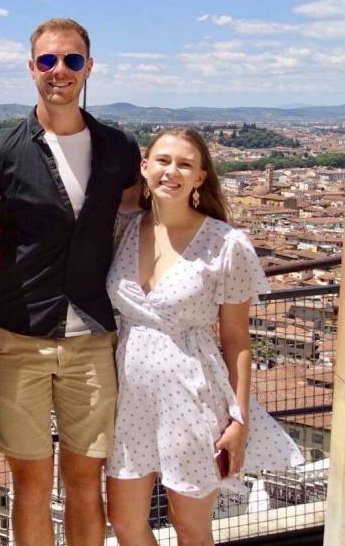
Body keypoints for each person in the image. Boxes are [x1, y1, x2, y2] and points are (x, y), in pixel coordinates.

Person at [0, 18, 140, 546]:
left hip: (93, 336)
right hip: (20, 336)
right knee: (31, 485)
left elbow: (133, 227)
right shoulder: (2, 153)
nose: (59, 71)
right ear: (31, 69)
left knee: (87, 484)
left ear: (89, 66)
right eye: (47, 61)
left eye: (71, 60)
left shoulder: (118, 148)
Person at [104, 128, 303, 546]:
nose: (170, 171)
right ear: (144, 168)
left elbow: (236, 339)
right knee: (124, 521)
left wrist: (239, 421)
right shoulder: (123, 230)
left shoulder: (227, 245)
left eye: (184, 164)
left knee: (190, 527)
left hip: (191, 395)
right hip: (126, 395)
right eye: (162, 160)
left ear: (200, 177)